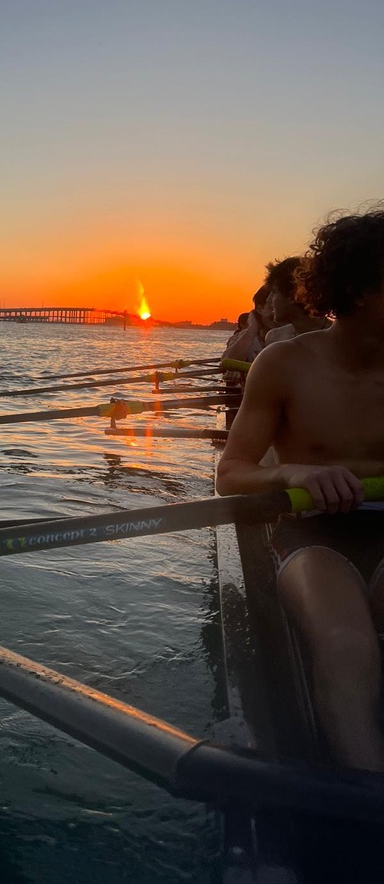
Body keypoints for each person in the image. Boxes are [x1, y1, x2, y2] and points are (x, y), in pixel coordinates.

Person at [216, 206, 384, 771]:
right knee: (347, 646)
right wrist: (293, 473)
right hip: (312, 535)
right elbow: (231, 474)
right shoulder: (282, 364)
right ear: (361, 291)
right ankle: (366, 795)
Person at [262, 256, 332, 344]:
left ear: (294, 294)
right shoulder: (275, 338)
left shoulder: (338, 339)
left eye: (275, 292)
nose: (268, 300)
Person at [221, 285, 278, 363]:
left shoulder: (291, 335)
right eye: (271, 308)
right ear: (259, 308)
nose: (275, 315)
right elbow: (227, 361)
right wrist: (252, 328)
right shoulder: (242, 338)